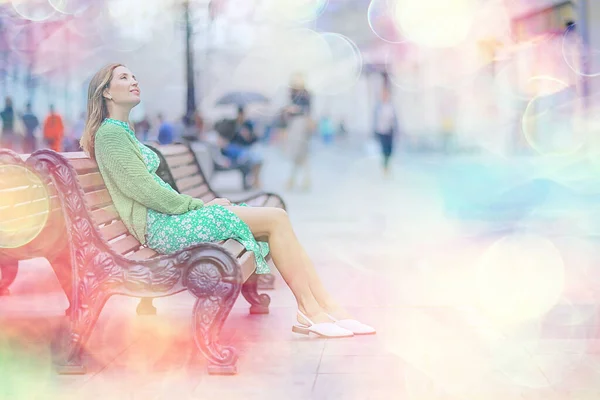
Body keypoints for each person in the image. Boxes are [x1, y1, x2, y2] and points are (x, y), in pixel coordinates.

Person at [80, 63, 375, 338]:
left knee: (276, 220)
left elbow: (147, 188)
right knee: (275, 218)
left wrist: (195, 206)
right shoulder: (110, 135)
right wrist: (198, 206)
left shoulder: (120, 133)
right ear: (106, 92)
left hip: (168, 221)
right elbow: (143, 190)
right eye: (123, 78)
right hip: (160, 229)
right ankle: (312, 309)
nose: (133, 81)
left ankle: (324, 307)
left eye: (133, 77)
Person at [221, 106, 263, 189]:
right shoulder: (231, 124)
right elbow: (226, 140)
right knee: (249, 157)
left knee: (258, 158)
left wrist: (249, 136)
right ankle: (255, 181)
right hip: (235, 150)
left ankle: (256, 180)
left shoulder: (248, 124)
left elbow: (254, 139)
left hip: (246, 148)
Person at [285, 73, 314, 191]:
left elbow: (307, 111)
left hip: (301, 126)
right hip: (294, 126)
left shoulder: (305, 95)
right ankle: (297, 180)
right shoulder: (292, 94)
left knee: (300, 154)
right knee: (298, 155)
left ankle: (298, 180)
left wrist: (295, 110)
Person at [373, 85, 399, 176]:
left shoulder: (391, 106)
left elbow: (395, 119)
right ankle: (385, 166)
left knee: (390, 149)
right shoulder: (378, 107)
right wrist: (374, 132)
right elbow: (375, 119)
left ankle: (387, 164)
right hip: (381, 131)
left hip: (390, 130)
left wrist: (396, 129)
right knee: (384, 149)